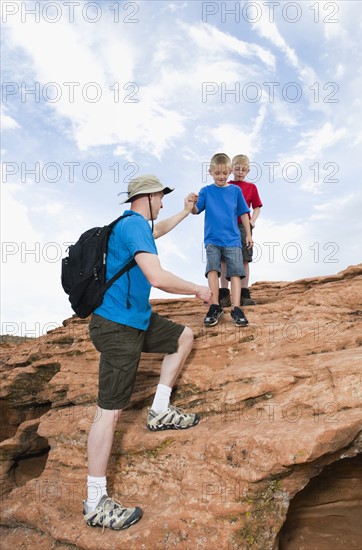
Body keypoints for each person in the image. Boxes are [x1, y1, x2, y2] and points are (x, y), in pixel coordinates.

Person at [83, 175, 212, 530]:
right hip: (118, 327)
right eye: (161, 198)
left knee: (183, 336)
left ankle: (159, 410)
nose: (163, 203)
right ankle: (95, 502)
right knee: (108, 413)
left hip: (137, 320)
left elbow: (160, 230)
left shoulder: (129, 227)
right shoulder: (134, 225)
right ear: (150, 196)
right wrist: (197, 290)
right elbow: (156, 277)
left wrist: (187, 212)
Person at [192, 153, 252, 328]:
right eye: (217, 173)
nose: (221, 177)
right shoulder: (206, 191)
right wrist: (190, 204)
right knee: (212, 270)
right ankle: (214, 306)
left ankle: (236, 308)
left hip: (233, 239)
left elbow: (243, 213)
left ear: (230, 171)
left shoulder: (235, 191)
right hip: (212, 239)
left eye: (225, 173)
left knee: (235, 273)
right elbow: (196, 210)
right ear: (210, 172)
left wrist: (248, 235)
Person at [219, 154, 263, 307]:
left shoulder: (251, 187)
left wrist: (252, 220)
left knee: (245, 258)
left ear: (248, 171)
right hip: (227, 227)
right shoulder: (226, 185)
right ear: (231, 169)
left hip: (244, 227)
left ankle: (244, 294)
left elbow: (256, 207)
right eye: (237, 169)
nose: (240, 172)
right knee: (224, 259)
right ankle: (224, 294)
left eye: (244, 170)